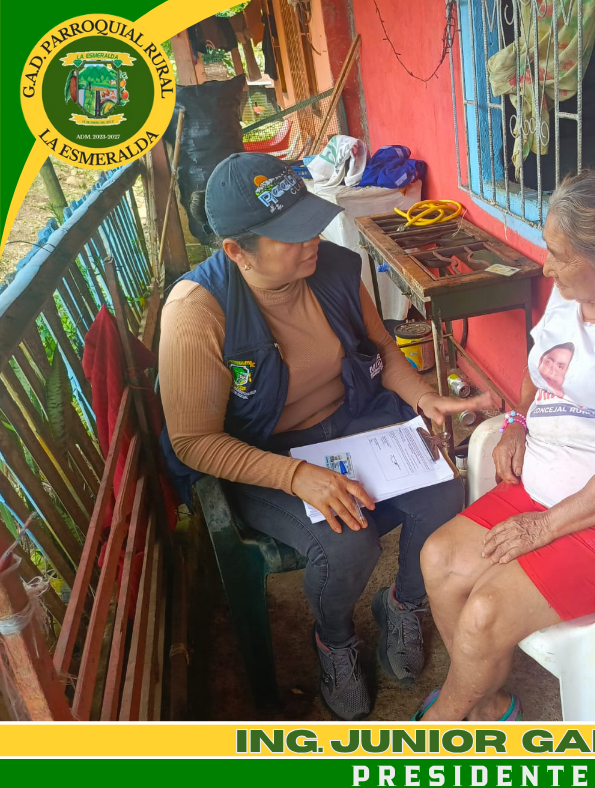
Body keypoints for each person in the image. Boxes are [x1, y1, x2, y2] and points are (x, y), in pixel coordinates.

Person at [159, 153, 493, 720]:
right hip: (266, 452)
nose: (312, 240)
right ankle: (334, 641)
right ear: (237, 251)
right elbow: (194, 442)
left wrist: (421, 397)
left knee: (443, 490)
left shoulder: (334, 267)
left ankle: (404, 603)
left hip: (353, 421)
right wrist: (297, 476)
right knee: (346, 542)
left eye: (311, 222)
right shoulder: (197, 310)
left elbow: (380, 347)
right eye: (291, 235)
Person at [415, 165, 595, 721]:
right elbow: (541, 364)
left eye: (558, 254)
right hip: (549, 484)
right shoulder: (573, 293)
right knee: (439, 558)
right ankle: (488, 703)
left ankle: (444, 723)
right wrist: (516, 422)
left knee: (484, 612)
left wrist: (541, 528)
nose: (545, 266)